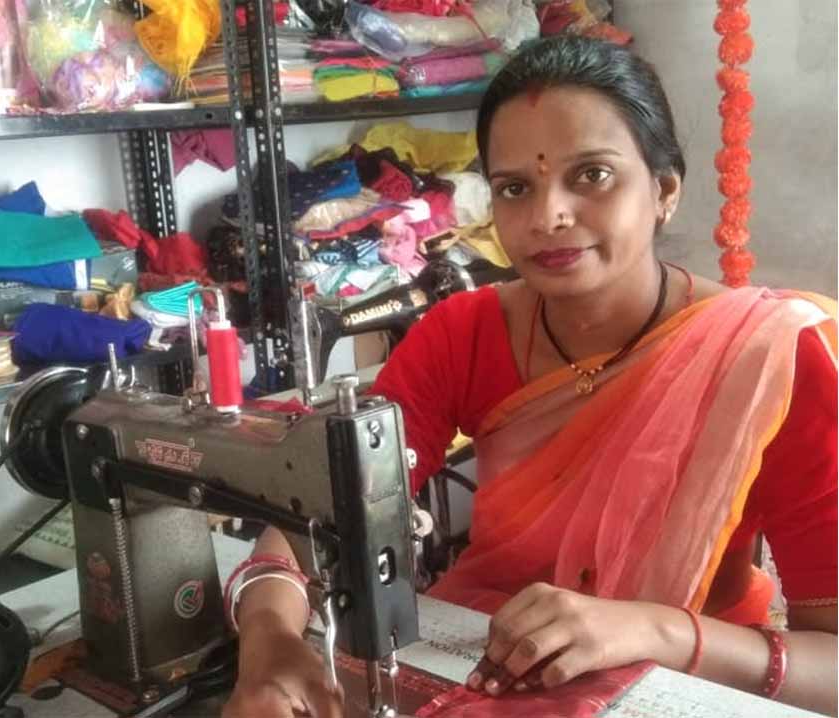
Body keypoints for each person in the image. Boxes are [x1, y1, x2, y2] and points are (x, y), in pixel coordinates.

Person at [222, 36, 838, 718]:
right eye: (515, 188)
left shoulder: (771, 361)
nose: (548, 217)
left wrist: (654, 630)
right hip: (482, 663)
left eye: (593, 175)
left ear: (664, 190)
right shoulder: (463, 334)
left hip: (681, 687)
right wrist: (270, 641)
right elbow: (323, 512)